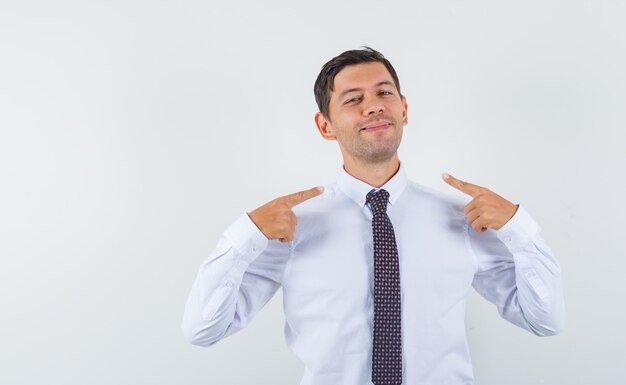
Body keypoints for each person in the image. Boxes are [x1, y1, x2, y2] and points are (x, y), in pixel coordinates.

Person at [182, 47, 565, 385]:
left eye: (385, 92)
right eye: (353, 99)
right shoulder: (290, 227)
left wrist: (519, 228)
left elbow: (544, 321)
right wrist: (244, 236)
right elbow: (203, 330)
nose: (374, 105)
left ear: (404, 109)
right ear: (325, 126)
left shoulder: (462, 218)